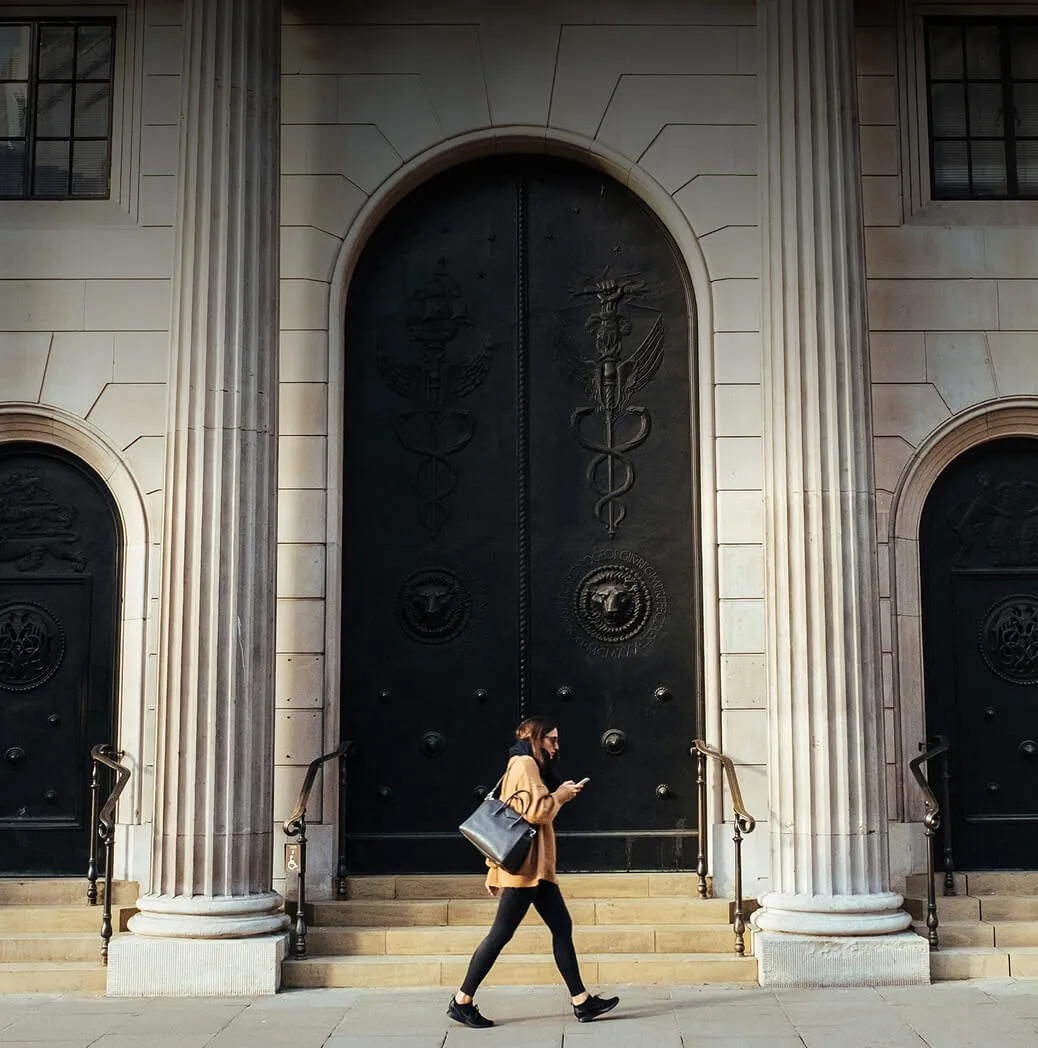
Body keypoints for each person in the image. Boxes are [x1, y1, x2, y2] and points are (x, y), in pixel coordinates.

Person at [447, 715, 620, 1029]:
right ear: (536, 739)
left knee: (561, 927)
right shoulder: (525, 765)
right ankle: (462, 1000)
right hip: (525, 870)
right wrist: (561, 796)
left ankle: (581, 1001)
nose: (556, 746)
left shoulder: (522, 764)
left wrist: (491, 869)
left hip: (534, 870)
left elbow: (505, 814)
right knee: (500, 935)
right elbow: (536, 812)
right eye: (551, 740)